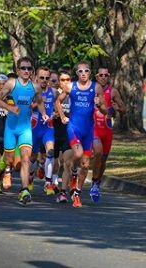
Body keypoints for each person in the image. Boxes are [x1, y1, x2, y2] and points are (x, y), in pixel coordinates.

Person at [0, 57, 49, 204]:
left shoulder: (35, 87)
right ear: (18, 70)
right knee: (9, 160)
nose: (26, 71)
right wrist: (10, 108)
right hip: (11, 128)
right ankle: (0, 169)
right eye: (23, 68)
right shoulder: (11, 83)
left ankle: (24, 191)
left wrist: (43, 113)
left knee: (25, 159)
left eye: (29, 68)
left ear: (32, 71)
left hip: (25, 129)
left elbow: (39, 102)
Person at [55, 61, 107, 208]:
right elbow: (58, 102)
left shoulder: (96, 87)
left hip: (88, 130)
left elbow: (105, 111)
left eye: (86, 71)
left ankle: (77, 193)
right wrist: (63, 116)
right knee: (77, 154)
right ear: (76, 73)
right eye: (80, 71)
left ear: (90, 72)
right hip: (74, 127)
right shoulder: (71, 86)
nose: (83, 73)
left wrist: (98, 105)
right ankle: (72, 173)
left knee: (85, 165)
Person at [91, 68, 126, 202]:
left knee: (103, 159)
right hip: (93, 128)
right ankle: (92, 181)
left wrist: (117, 108)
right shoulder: (90, 89)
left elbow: (124, 109)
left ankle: (97, 183)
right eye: (101, 75)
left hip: (107, 129)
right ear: (97, 76)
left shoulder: (113, 91)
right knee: (98, 153)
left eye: (106, 75)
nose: (104, 77)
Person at [30, 67, 57, 195]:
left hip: (48, 128)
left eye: (47, 78)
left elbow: (59, 106)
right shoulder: (31, 91)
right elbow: (25, 107)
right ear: (36, 77)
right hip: (34, 128)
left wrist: (57, 114)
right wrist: (37, 103)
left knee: (50, 152)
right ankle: (30, 177)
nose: (45, 80)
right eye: (42, 77)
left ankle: (48, 183)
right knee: (33, 157)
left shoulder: (54, 92)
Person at [53, 70, 75, 203]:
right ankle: (51, 180)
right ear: (59, 83)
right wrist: (55, 115)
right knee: (56, 163)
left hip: (69, 134)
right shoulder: (53, 94)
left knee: (67, 163)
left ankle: (63, 192)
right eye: (63, 80)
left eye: (68, 80)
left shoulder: (74, 95)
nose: (65, 82)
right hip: (54, 133)